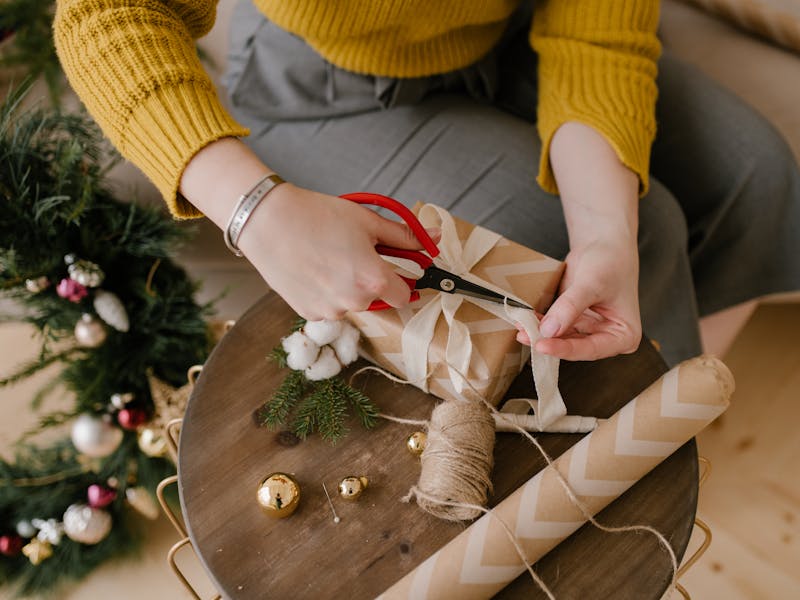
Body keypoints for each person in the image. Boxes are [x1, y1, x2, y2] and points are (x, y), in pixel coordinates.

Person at [54, 0, 800, 367]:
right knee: (575, 242)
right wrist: (257, 211)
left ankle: (653, 441)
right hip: (324, 79)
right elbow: (102, 11)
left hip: (511, 27)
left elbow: (593, 29)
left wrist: (608, 234)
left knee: (754, 175)